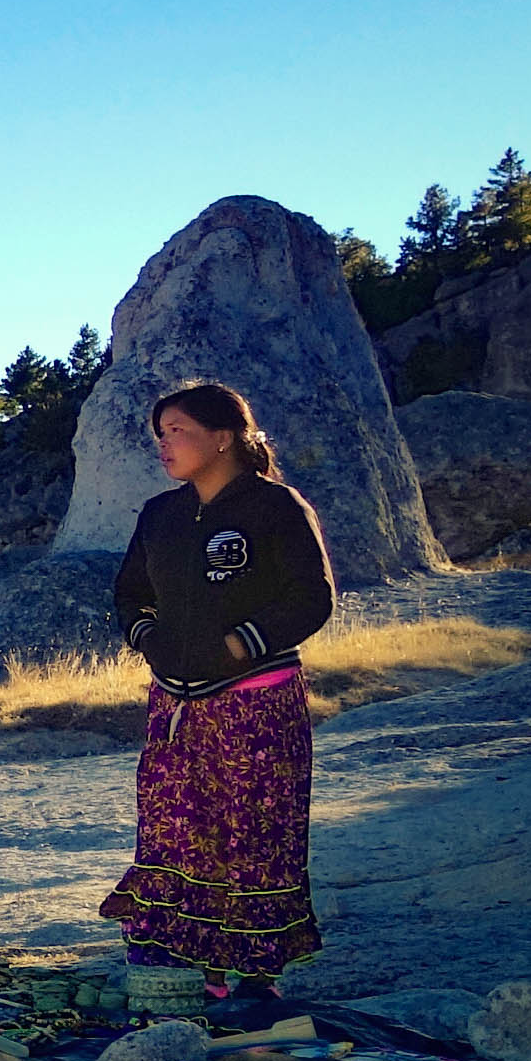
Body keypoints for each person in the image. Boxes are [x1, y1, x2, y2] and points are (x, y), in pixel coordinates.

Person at [101, 381, 335, 995]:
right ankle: (187, 961)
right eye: (160, 435)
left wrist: (239, 644)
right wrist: (149, 639)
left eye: (177, 431)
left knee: (254, 828)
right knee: (176, 825)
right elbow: (130, 595)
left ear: (224, 436)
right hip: (174, 703)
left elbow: (312, 598)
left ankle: (256, 973)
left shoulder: (276, 508)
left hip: (256, 699)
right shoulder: (160, 515)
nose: (164, 445)